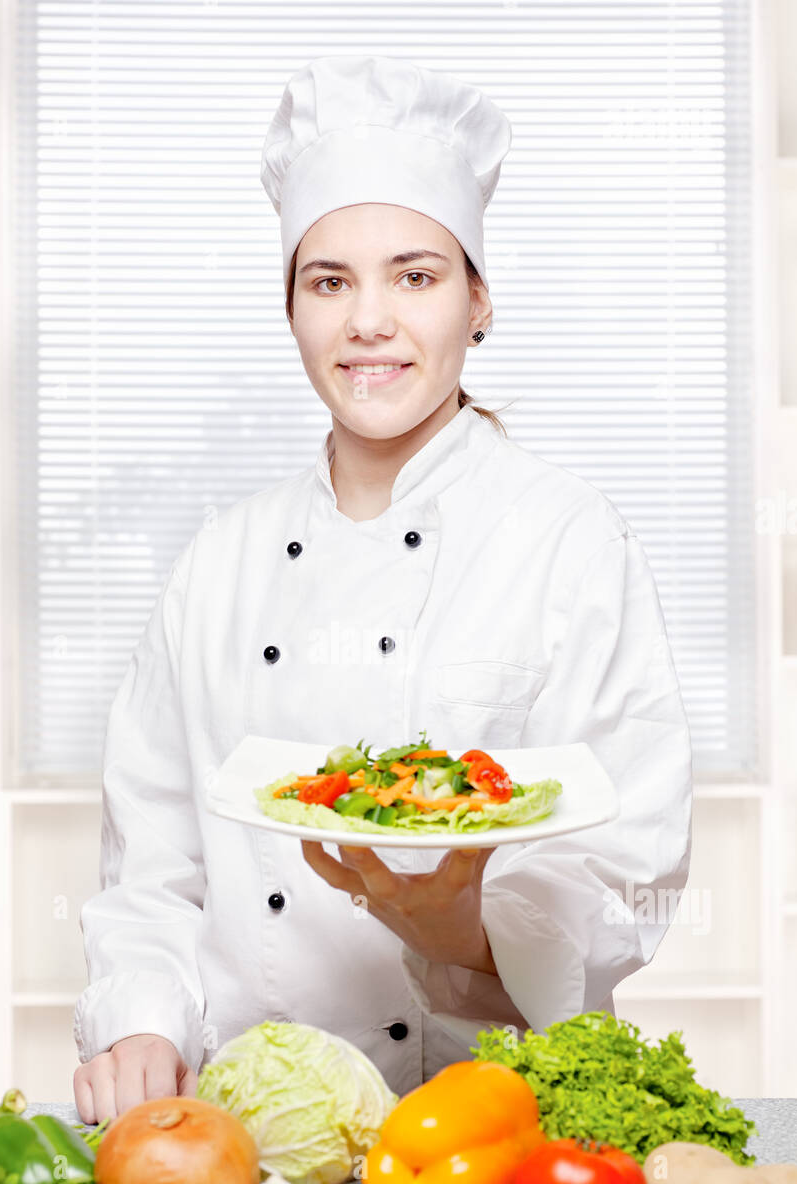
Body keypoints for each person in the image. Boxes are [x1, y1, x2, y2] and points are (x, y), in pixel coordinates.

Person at [72, 55, 693, 1124]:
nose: (368, 321)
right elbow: (152, 865)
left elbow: (627, 863)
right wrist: (137, 1021)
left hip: (477, 1134)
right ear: (291, 309)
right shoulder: (216, 564)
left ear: (478, 300)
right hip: (243, 1130)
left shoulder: (565, 540)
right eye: (329, 281)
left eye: (413, 275)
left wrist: (457, 926)